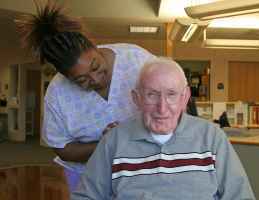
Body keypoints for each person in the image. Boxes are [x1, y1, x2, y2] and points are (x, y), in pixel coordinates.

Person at [15, 1, 155, 191]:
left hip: (138, 171)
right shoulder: (57, 93)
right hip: (83, 175)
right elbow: (62, 149)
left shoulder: (137, 59)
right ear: (66, 77)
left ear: (95, 47)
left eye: (96, 66)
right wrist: (106, 144)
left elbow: (171, 107)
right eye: (82, 80)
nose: (96, 80)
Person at [71, 57, 256, 200]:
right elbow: (85, 196)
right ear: (137, 98)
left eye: (171, 95)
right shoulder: (114, 141)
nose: (162, 108)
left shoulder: (212, 138)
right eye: (152, 95)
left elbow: (240, 196)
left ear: (185, 98)